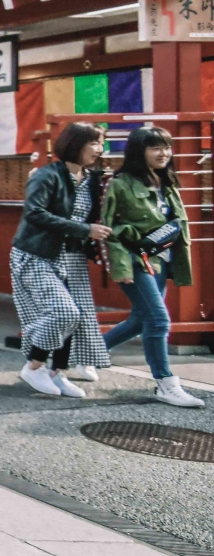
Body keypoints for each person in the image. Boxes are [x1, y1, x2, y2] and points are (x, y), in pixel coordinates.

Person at [103, 126, 204, 407]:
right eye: (155, 148)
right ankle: (166, 384)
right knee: (158, 319)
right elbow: (109, 228)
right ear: (139, 151)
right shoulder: (121, 183)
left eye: (166, 147)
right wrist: (121, 267)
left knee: (139, 319)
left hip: (161, 258)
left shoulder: (166, 181)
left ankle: (88, 354)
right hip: (135, 259)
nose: (163, 153)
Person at [11, 122, 112, 398]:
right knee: (64, 312)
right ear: (74, 144)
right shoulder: (46, 175)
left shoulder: (92, 179)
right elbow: (34, 213)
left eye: (101, 142)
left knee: (75, 318)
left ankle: (57, 373)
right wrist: (84, 230)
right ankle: (34, 366)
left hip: (72, 256)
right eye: (93, 143)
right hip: (38, 253)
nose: (99, 149)